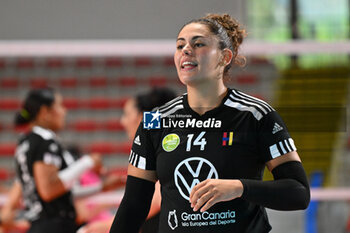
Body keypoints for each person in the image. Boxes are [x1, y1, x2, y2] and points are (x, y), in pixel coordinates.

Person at [109, 13, 310, 233]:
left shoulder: (256, 115)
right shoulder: (156, 121)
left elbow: (298, 193)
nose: (186, 50)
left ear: (224, 57)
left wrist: (239, 187)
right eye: (180, 46)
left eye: (198, 44)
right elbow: (133, 206)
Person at [77, 87, 177, 233]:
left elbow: (150, 202)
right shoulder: (150, 152)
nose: (122, 121)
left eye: (126, 114)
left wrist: (98, 228)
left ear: (143, 117)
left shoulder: (167, 150)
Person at [13, 88, 102, 233]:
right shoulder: (45, 141)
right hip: (53, 225)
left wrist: (101, 187)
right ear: (44, 112)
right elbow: (48, 190)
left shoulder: (26, 141)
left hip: (40, 224)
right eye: (59, 106)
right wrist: (87, 162)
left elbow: (56, 190)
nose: (64, 111)